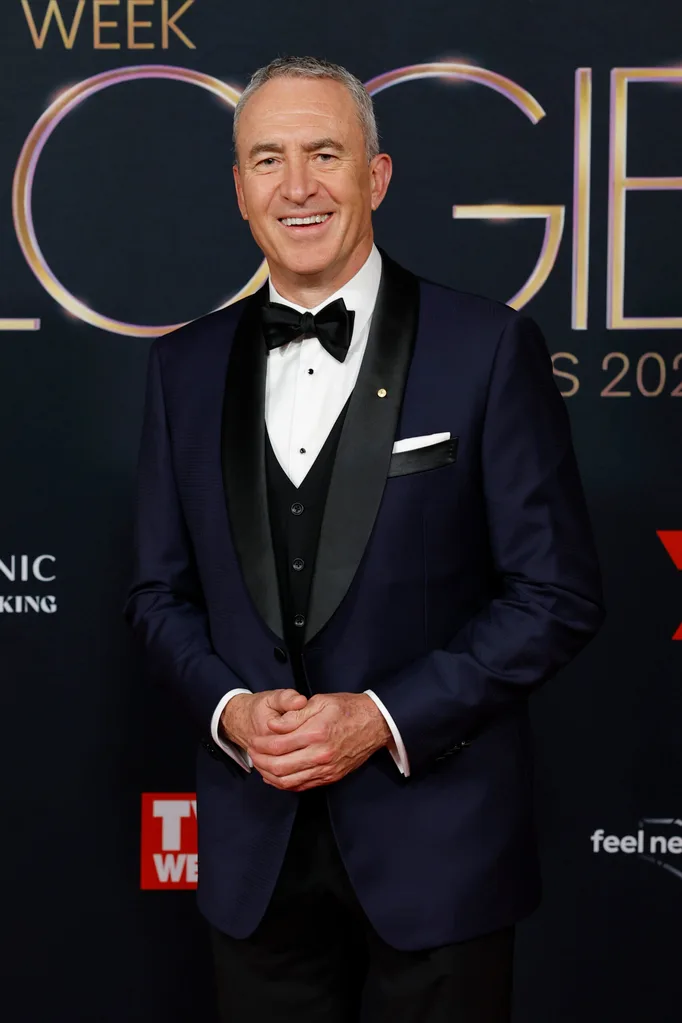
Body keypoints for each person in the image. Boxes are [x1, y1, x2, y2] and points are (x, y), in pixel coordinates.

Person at [124, 55, 605, 1023]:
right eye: (268, 159)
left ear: (375, 176)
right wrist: (230, 710)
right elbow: (157, 595)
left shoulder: (485, 346)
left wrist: (381, 716)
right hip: (253, 858)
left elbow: (554, 593)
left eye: (324, 153)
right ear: (239, 189)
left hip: (440, 855)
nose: (297, 186)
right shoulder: (183, 368)